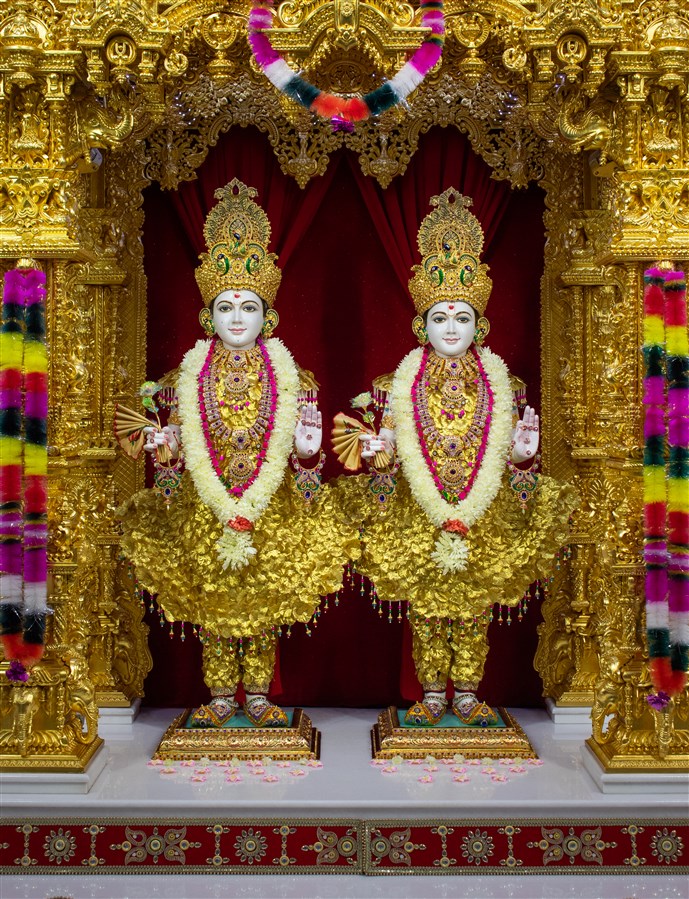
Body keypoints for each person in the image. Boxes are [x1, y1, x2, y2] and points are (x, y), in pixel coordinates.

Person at [118, 179, 358, 728]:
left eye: (248, 307)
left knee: (262, 600)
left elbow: (307, 477)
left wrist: (306, 455)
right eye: (225, 307)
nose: (236, 318)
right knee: (215, 602)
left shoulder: (294, 378)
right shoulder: (183, 379)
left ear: (266, 315)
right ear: (209, 314)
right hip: (204, 507)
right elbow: (171, 476)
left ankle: (259, 695)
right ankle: (222, 695)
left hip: (270, 508)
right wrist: (168, 455)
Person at [344, 188, 577, 727]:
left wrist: (522, 460)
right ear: (421, 325)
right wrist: (382, 462)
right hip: (419, 515)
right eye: (440, 317)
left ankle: (467, 692)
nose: (451, 328)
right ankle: (430, 692)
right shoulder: (396, 386)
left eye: (462, 317)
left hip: (482, 513)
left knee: (473, 606)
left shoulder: (504, 387)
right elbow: (385, 471)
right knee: (427, 605)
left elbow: (515, 473)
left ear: (480, 325)